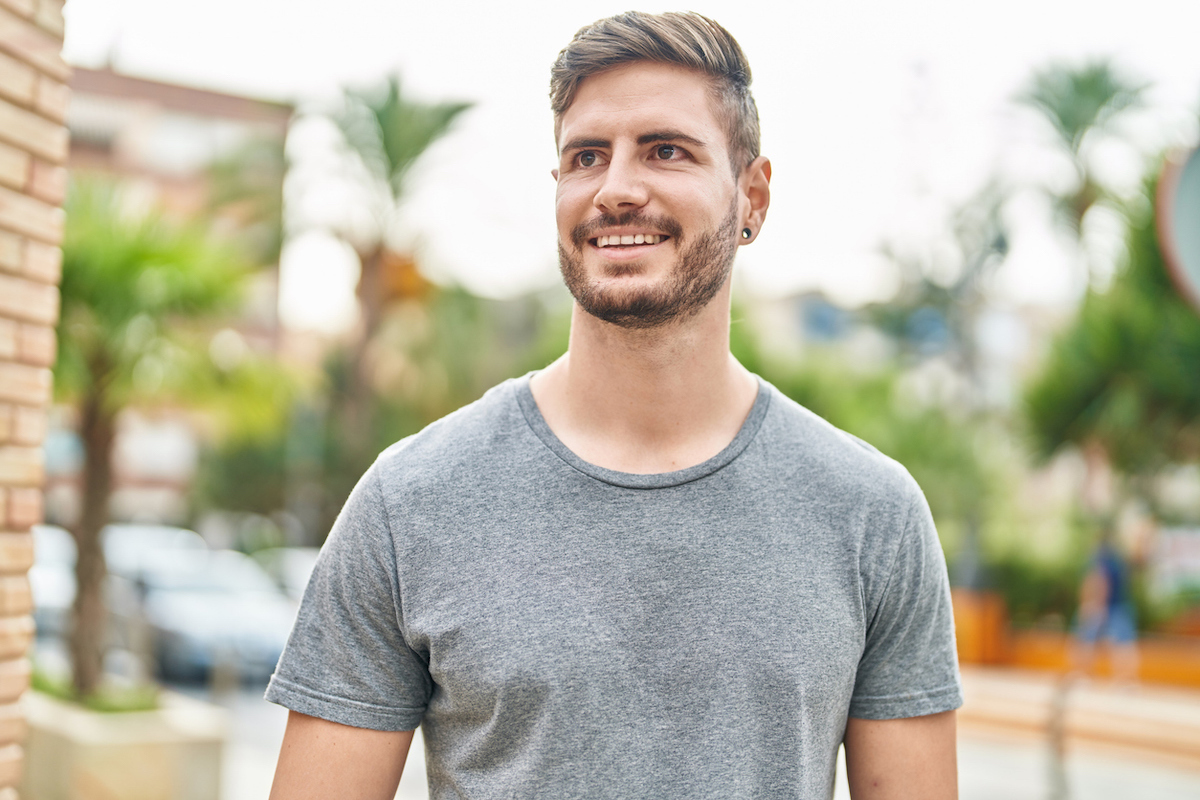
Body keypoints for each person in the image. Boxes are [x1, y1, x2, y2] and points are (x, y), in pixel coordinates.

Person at [266, 11, 961, 799]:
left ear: (752, 197)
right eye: (586, 157)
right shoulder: (409, 503)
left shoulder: (872, 515)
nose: (616, 189)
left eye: (666, 151)